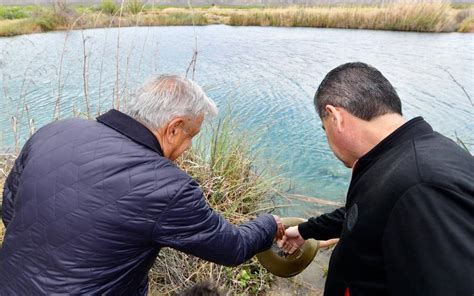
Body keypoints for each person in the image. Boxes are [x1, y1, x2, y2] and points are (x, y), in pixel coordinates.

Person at [0, 75, 284, 295]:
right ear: (173, 128)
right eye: (191, 135)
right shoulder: (167, 187)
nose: (188, 146)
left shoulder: (54, 131)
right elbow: (231, 247)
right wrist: (269, 223)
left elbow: (10, 208)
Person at [279, 62, 474, 295]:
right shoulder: (401, 158)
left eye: (324, 128)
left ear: (335, 117)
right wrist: (305, 231)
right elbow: (367, 213)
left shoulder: (422, 185)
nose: (328, 142)